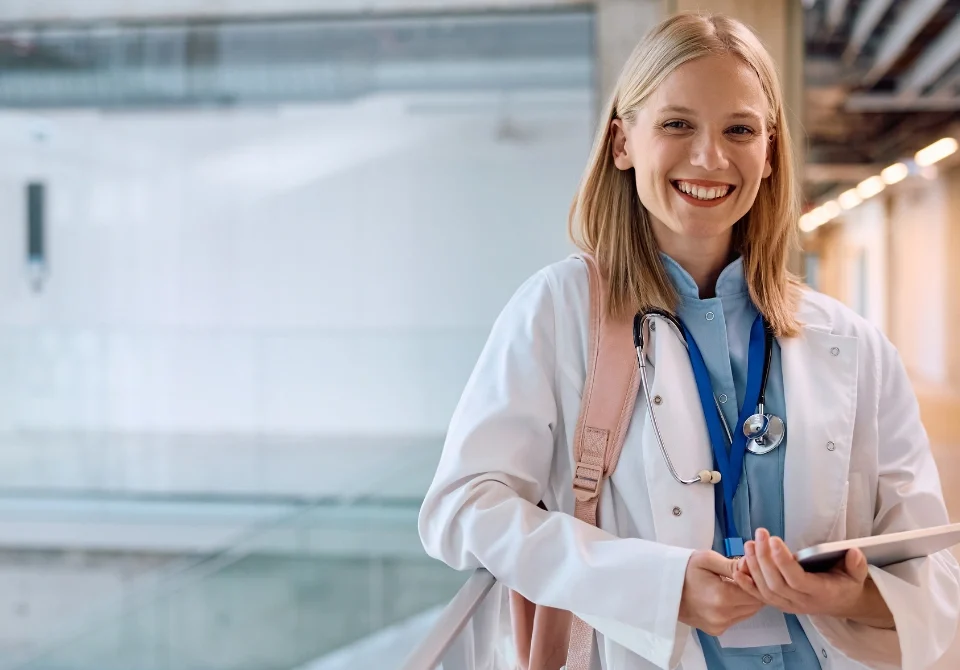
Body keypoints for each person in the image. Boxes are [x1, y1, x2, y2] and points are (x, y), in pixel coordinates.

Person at [418, 11, 960, 670]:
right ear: (623, 142)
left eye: (740, 130)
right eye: (678, 124)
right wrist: (658, 586)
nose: (710, 157)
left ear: (770, 154)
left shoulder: (853, 343)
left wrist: (854, 597)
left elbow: (936, 573)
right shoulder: (559, 311)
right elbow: (461, 509)